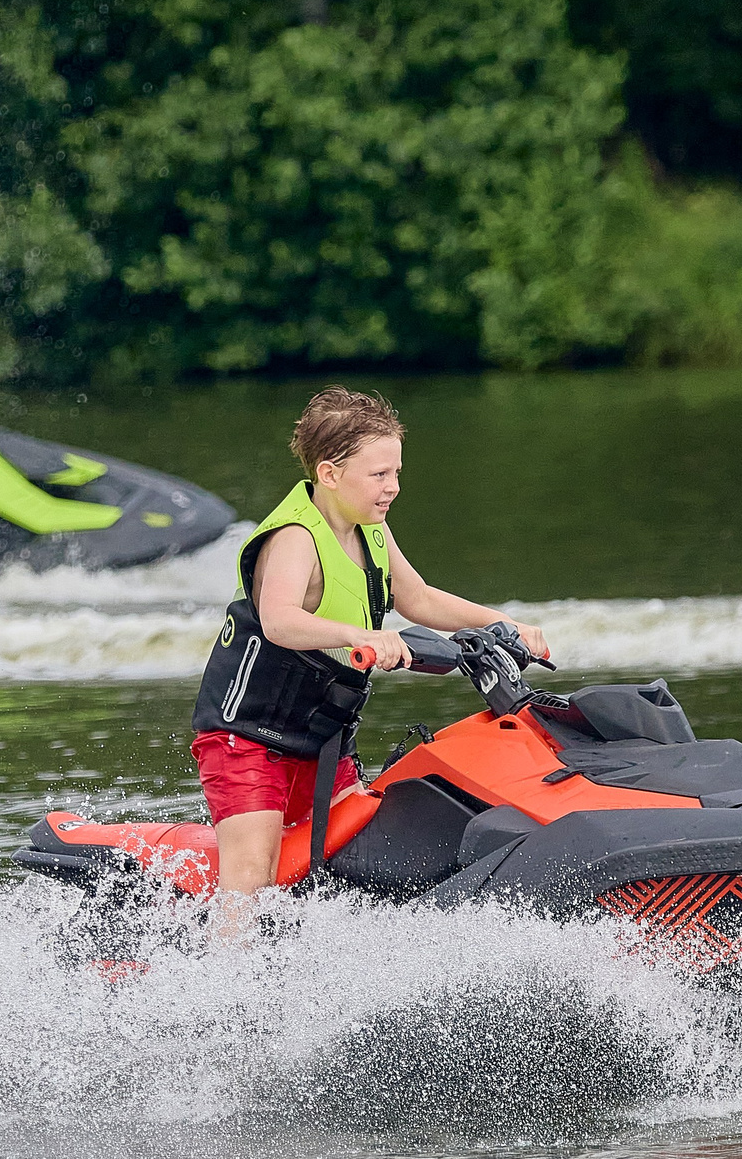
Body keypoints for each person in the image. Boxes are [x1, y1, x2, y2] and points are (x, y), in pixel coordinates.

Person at [190, 386, 548, 925]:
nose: (394, 488)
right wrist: (362, 637)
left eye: (397, 472)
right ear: (330, 474)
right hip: (247, 738)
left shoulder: (370, 528)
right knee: (253, 878)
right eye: (379, 475)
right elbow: (280, 619)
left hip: (321, 737)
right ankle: (222, 1002)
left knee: (352, 863)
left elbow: (420, 599)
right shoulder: (294, 537)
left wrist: (503, 622)